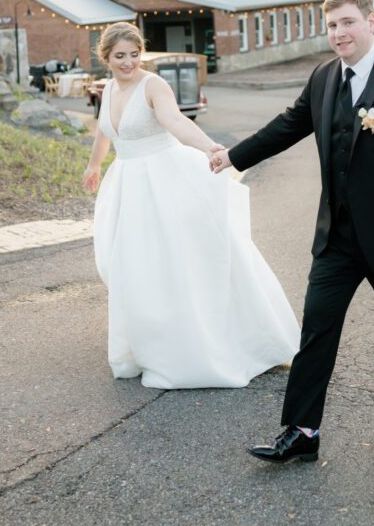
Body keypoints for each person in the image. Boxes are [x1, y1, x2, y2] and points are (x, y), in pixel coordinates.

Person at [212, 0, 374, 465]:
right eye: (332, 26)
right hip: (337, 239)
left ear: (370, 22)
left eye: (347, 23)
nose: (339, 34)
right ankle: (301, 431)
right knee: (317, 331)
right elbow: (288, 125)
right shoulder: (323, 77)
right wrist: (233, 156)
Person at [82, 22, 300, 389]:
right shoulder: (108, 91)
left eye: (134, 55)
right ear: (106, 57)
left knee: (178, 259)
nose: (128, 63)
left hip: (163, 180)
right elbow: (105, 133)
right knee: (131, 265)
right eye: (120, 56)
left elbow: (175, 121)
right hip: (127, 186)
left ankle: (195, 344)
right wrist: (92, 165)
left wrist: (210, 148)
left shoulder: (153, 85)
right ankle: (143, 343)